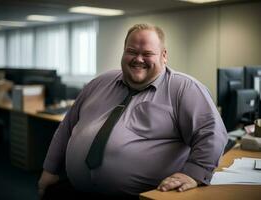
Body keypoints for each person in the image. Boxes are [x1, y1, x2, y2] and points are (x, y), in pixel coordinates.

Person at [38, 23, 228, 199]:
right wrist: (50, 170)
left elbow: (212, 133)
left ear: (164, 55)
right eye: (131, 51)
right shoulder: (99, 83)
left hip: (141, 197)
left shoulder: (184, 88)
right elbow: (66, 128)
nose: (138, 59)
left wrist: (193, 173)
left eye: (147, 53)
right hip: (76, 191)